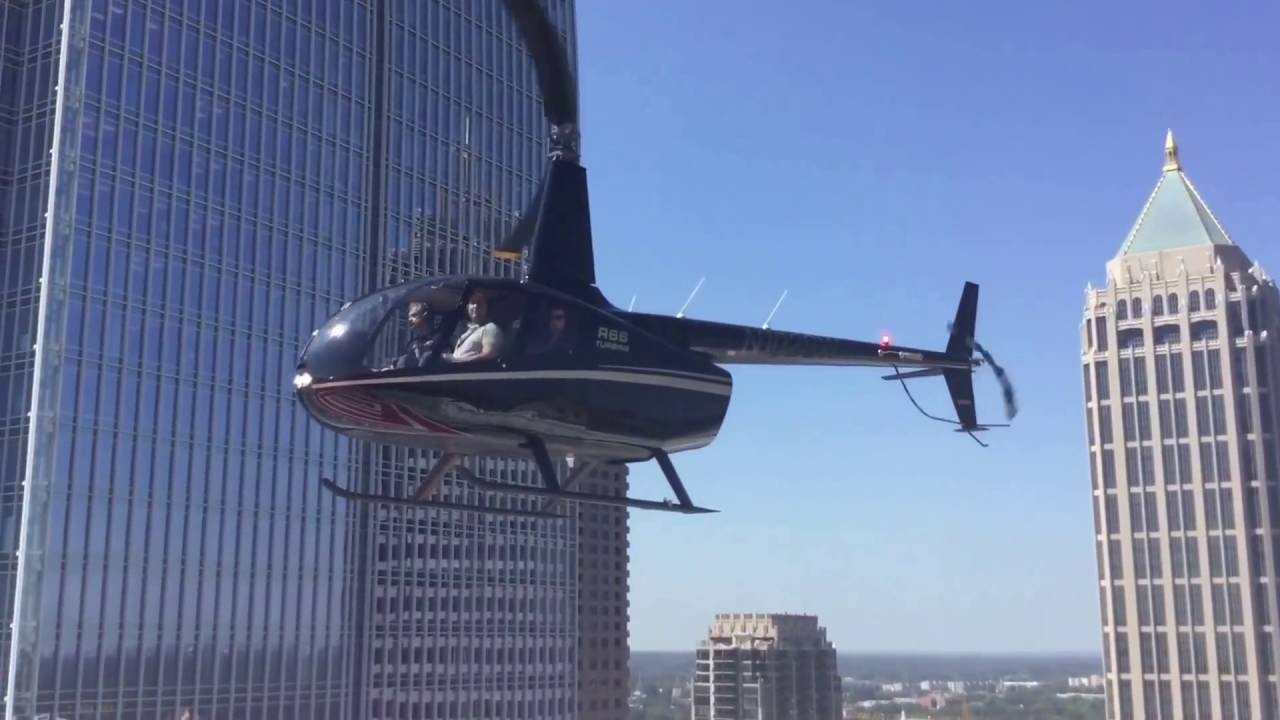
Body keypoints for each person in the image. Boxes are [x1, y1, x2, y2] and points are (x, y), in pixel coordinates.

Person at [444, 291, 504, 363]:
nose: (475, 306)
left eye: (480, 303)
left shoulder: (490, 328)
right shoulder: (466, 330)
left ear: (487, 307)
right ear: (467, 307)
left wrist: (456, 361)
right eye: (473, 302)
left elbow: (489, 356)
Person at [392, 301, 436, 369]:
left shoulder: (440, 341)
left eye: (414, 315)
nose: (409, 319)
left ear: (425, 315)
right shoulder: (411, 344)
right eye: (409, 316)